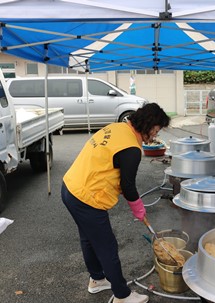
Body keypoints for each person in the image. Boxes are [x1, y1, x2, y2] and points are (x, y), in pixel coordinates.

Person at [61, 103, 170, 303]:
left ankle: (97, 280)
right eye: (156, 129)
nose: (156, 135)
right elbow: (127, 185)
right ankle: (122, 296)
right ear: (148, 124)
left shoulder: (118, 127)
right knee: (107, 247)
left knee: (88, 238)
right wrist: (139, 209)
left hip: (70, 187)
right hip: (87, 197)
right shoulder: (131, 148)